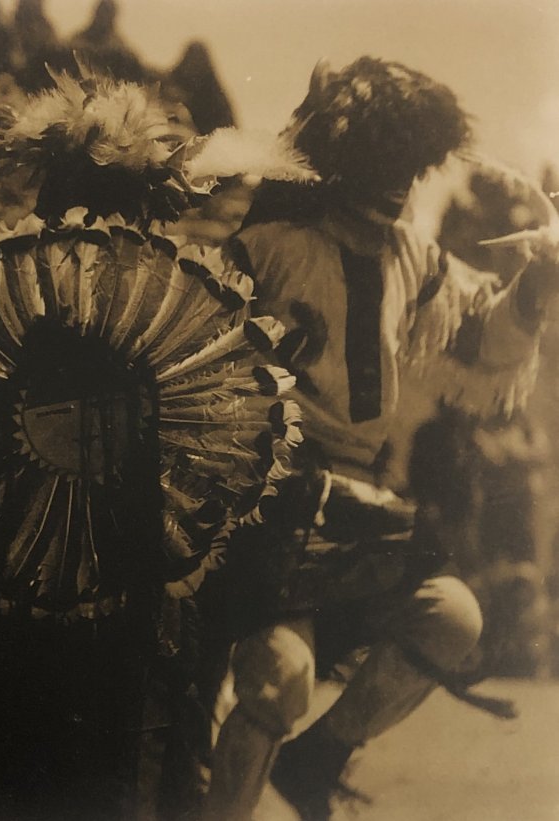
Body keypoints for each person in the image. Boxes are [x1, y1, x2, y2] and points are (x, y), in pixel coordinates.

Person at [202, 57, 559, 821]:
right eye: (385, 163)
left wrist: (534, 283)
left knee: (454, 617)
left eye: (409, 165)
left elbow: (484, 339)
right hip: (268, 502)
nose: (397, 186)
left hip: (358, 515)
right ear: (350, 161)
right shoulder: (268, 247)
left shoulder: (412, 258)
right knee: (281, 677)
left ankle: (317, 760)